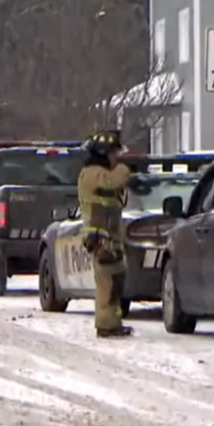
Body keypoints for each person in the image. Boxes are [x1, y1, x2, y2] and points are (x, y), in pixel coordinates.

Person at [78, 130, 134, 338]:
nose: (115, 158)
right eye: (114, 153)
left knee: (116, 281)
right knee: (106, 284)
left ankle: (113, 322)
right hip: (100, 238)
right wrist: (125, 166)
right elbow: (113, 181)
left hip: (110, 236)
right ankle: (105, 325)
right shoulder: (92, 173)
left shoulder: (101, 172)